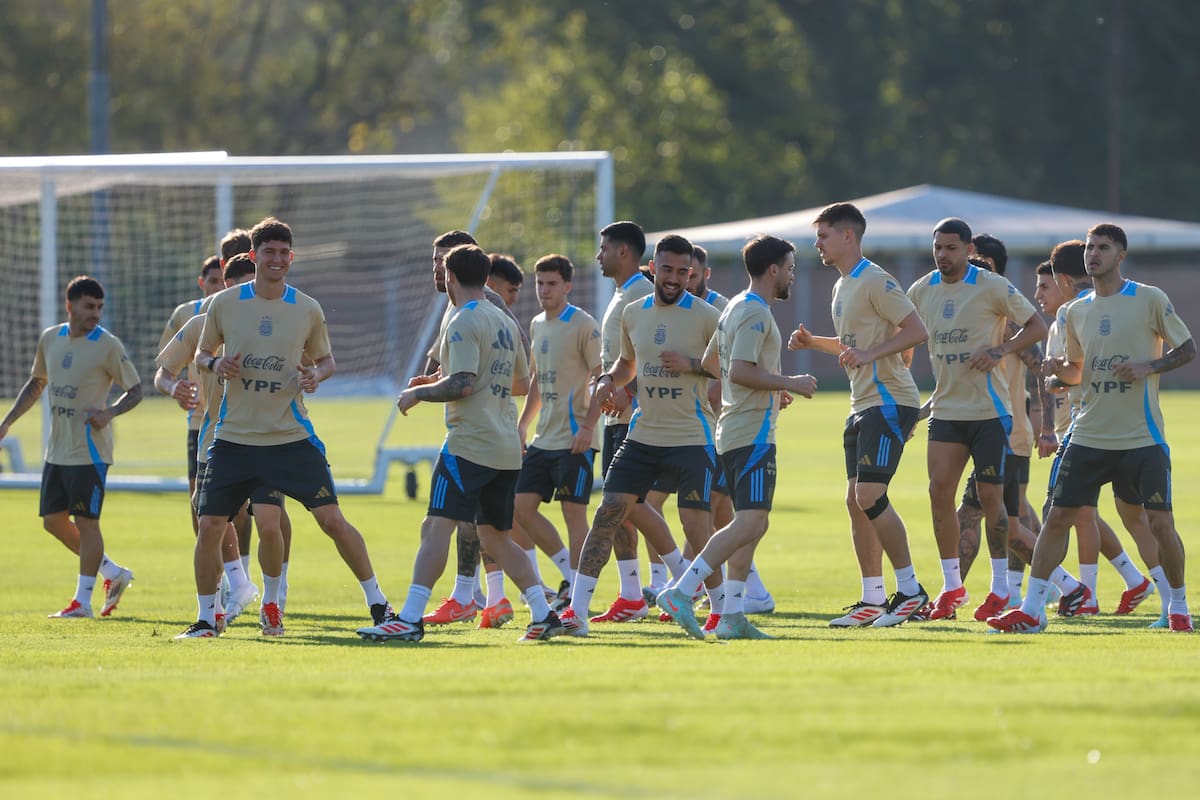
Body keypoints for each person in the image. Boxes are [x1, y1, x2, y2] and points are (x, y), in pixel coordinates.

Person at [178, 216, 396, 639]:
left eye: (283, 253)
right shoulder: (224, 305)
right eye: (269, 252)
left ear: (291, 258)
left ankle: (379, 604)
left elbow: (326, 360)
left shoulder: (307, 308)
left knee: (332, 520)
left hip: (290, 439)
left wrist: (318, 376)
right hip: (234, 439)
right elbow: (202, 354)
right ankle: (208, 619)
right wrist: (215, 363)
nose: (276, 259)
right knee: (208, 526)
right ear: (253, 256)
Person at [990, 223, 1195, 633]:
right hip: (1087, 435)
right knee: (1057, 517)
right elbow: (1076, 372)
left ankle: (1179, 607)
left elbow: (1188, 350)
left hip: (1141, 437)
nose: (1093, 254)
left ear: (1121, 255)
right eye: (1089, 248)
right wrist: (1055, 373)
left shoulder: (1149, 299)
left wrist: (1147, 366)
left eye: (1103, 247)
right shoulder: (1073, 312)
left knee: (1159, 524)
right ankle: (1031, 610)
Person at [356, 244, 563, 643]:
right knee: (495, 538)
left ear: (450, 276)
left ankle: (410, 618)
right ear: (486, 278)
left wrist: (418, 394)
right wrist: (439, 382)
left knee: (436, 526)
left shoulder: (463, 320)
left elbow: (464, 382)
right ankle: (542, 613)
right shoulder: (501, 320)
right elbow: (520, 382)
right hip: (504, 446)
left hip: (471, 443)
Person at [906, 218, 1081, 622]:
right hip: (948, 412)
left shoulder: (993, 287)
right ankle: (952, 587)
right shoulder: (922, 289)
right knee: (938, 494)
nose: (943, 255)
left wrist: (1001, 350)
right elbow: (906, 331)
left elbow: (1036, 327)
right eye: (938, 248)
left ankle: (1005, 586)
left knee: (993, 504)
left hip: (991, 415)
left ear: (968, 250)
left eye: (951, 248)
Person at [560, 234, 721, 637]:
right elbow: (626, 364)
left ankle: (721, 611)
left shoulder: (706, 316)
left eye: (683, 272)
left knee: (697, 526)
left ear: (691, 274)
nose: (675, 278)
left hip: (690, 436)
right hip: (642, 434)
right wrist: (605, 383)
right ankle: (576, 614)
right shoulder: (634, 312)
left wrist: (692, 364)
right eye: (667, 270)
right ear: (653, 268)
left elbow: (729, 368)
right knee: (609, 510)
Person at [658, 234, 814, 639]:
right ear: (774, 269)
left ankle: (732, 615)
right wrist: (788, 381)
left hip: (735, 428)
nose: (792, 277)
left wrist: (769, 386)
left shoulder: (734, 309)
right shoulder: (754, 312)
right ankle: (682, 590)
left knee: (753, 524)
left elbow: (714, 364)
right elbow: (740, 370)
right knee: (749, 522)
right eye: (791, 268)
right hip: (750, 433)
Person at [787, 203, 929, 627]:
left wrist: (870, 353)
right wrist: (815, 343)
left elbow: (916, 331)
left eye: (824, 236)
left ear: (848, 236)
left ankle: (910, 591)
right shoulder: (842, 285)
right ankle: (872, 598)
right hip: (862, 403)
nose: (818, 244)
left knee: (868, 496)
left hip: (890, 402)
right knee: (855, 501)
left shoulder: (876, 279)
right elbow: (855, 343)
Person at [0, 276, 142, 618]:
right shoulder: (51, 338)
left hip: (90, 452)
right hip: (57, 450)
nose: (95, 314)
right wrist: (7, 422)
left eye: (99, 308)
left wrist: (109, 413)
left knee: (87, 521)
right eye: (88, 307)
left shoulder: (107, 345)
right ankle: (112, 572)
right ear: (70, 306)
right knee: (53, 522)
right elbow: (37, 383)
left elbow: (135, 389)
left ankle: (82, 602)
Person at [155, 253, 277, 628]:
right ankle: (233, 585)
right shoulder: (193, 319)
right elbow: (163, 371)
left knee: (265, 516)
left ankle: (270, 595)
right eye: (224, 281)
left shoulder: (269, 316)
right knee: (206, 510)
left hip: (260, 433)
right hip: (206, 428)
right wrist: (175, 386)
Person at [1042, 240, 1161, 622]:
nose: (1039, 294)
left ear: (1061, 279)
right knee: (1122, 515)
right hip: (1119, 427)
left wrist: (1053, 375)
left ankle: (1086, 593)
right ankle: (1151, 587)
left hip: (1087, 426)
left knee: (1065, 513)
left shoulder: (1071, 313)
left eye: (1044, 285)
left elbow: (1075, 374)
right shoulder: (1095, 306)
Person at [418, 230, 530, 626]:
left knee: (448, 521)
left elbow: (518, 367)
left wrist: (429, 392)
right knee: (488, 526)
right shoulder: (454, 308)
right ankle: (511, 602)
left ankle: (465, 596)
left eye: (442, 259)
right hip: (486, 430)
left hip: (479, 431)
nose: (437, 266)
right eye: (433, 258)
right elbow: (445, 367)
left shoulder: (480, 306)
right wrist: (430, 382)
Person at [581, 221, 685, 625]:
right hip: (616, 419)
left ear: (624, 252)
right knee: (625, 508)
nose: (598, 254)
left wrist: (629, 390)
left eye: (604, 247)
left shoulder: (643, 293)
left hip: (637, 419)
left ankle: (683, 582)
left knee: (631, 506)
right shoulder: (623, 294)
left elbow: (659, 353)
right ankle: (632, 595)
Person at [951, 238, 1053, 616]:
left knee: (976, 516)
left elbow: (1041, 368)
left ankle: (954, 593)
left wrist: (1047, 425)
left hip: (1005, 431)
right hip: (993, 428)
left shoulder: (1009, 318)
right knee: (1014, 519)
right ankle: (1042, 587)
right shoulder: (975, 313)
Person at [513, 255, 602, 617]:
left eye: (552, 284)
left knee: (573, 513)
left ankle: (578, 597)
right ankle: (568, 576)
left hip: (575, 439)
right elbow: (537, 379)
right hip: (544, 439)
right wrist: (522, 425)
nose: (544, 290)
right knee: (520, 509)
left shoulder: (583, 325)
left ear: (568, 286)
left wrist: (587, 427)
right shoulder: (536, 324)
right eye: (539, 283)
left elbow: (602, 378)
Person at [156, 255, 226, 536]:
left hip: (240, 421)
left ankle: (238, 575)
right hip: (200, 421)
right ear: (201, 283)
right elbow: (163, 371)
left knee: (242, 507)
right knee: (199, 500)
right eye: (213, 281)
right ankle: (213, 572)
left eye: (224, 282)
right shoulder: (186, 316)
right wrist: (175, 388)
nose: (219, 287)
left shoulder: (244, 313)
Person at [688, 245, 729, 311]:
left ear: (706, 274)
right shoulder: (674, 304)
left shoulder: (722, 307)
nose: (687, 283)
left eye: (692, 276)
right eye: (684, 275)